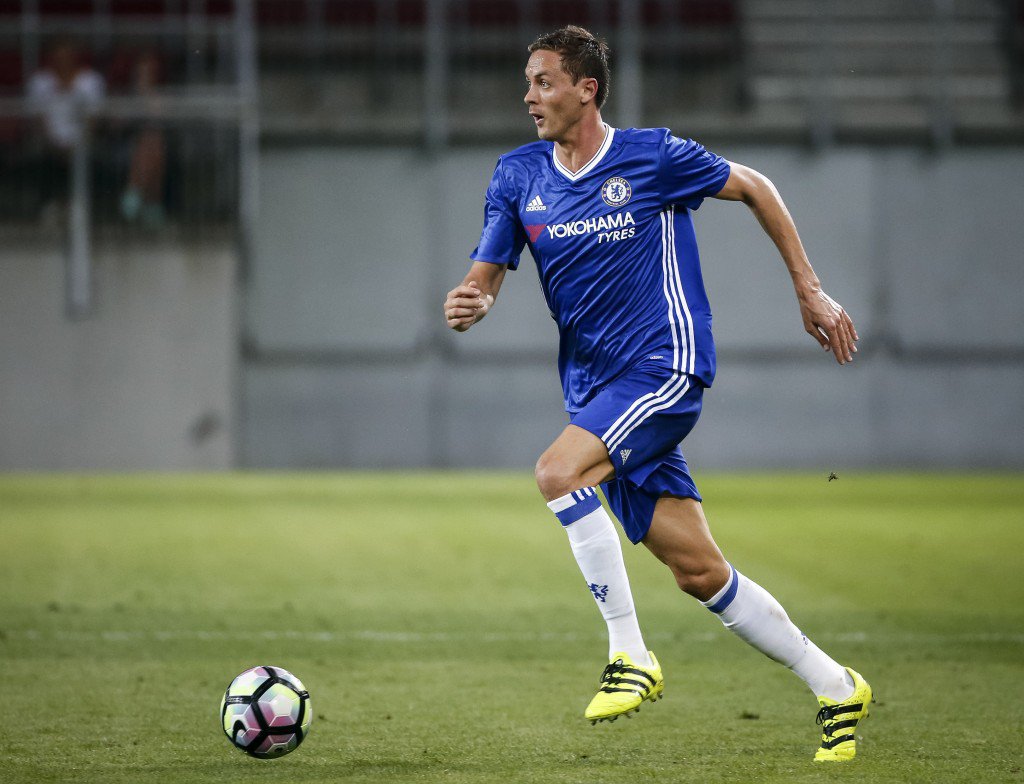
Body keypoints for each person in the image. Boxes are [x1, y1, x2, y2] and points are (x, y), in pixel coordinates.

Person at [443, 26, 871, 763]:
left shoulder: (653, 156)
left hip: (665, 366)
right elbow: (484, 275)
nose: (529, 96)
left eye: (544, 82)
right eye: (528, 82)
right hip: (595, 391)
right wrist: (473, 300)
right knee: (700, 572)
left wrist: (809, 288)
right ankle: (836, 685)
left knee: (556, 472)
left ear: (587, 89)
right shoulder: (518, 177)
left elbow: (755, 186)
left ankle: (629, 655)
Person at [26, 40, 104, 221]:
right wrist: (52, 143)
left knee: (81, 156)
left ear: (74, 57)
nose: (63, 61)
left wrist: (79, 143)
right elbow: (38, 121)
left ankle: (78, 205)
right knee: (46, 156)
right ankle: (51, 205)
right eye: (58, 57)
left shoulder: (90, 81)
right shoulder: (40, 82)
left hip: (81, 141)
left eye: (67, 56)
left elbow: (92, 120)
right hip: (49, 143)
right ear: (51, 58)